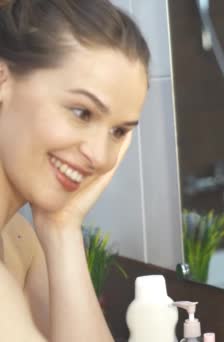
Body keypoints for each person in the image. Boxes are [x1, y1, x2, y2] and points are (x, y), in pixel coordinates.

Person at [0, 0, 150, 341]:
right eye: (81, 113)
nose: (98, 156)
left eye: (118, 131)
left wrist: (62, 229)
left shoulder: (18, 241)